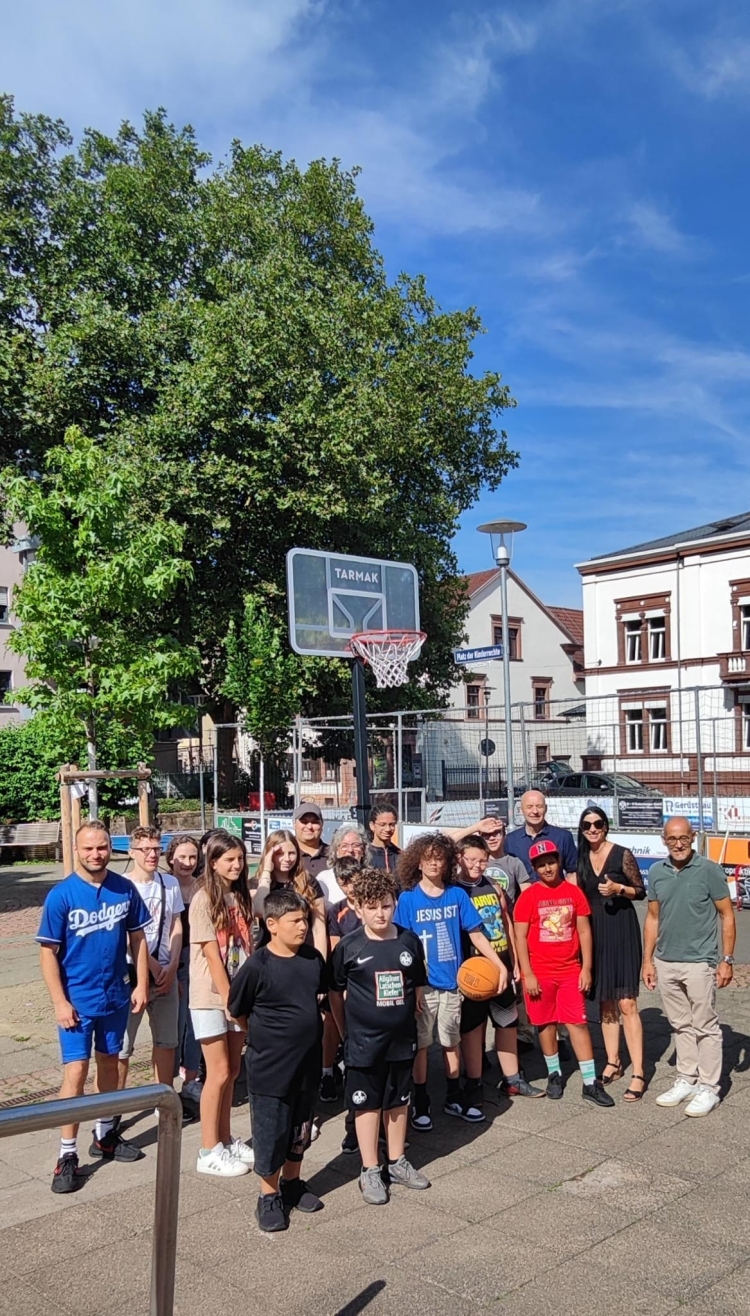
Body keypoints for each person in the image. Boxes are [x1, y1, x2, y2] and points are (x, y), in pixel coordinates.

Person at [36, 820, 150, 1193]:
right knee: (76, 1073)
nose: (96, 854)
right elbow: (48, 953)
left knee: (111, 1063)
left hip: (115, 996)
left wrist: (141, 983)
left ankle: (105, 1135)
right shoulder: (62, 896)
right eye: (88, 848)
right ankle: (66, 1153)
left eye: (101, 847)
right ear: (77, 850)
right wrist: (59, 1001)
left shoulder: (124, 889)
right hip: (77, 1001)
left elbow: (138, 939)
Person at [228, 888, 327, 1232]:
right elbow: (237, 1010)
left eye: (305, 920)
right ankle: (268, 1195)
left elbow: (322, 1001)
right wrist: (262, 1035)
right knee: (272, 1132)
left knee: (300, 1130)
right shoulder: (258, 966)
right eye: (295, 921)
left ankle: (292, 1183)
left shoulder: (313, 960)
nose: (303, 927)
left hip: (308, 1065)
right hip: (271, 1068)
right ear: (272, 924)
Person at [395, 832, 509, 1129]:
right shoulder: (407, 900)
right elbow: (402, 946)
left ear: (447, 863)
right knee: (421, 1045)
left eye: (439, 858)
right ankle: (421, 1101)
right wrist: (413, 984)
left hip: (451, 983)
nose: (433, 863)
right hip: (422, 986)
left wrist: (498, 965)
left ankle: (454, 1095)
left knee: (450, 1042)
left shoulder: (456, 895)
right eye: (428, 858)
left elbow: (475, 932)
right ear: (417, 863)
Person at [330, 867, 431, 1204]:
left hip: (401, 1040)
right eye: (372, 907)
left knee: (399, 1102)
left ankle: (397, 1161)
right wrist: (346, 1032)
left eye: (386, 906)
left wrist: (415, 1003)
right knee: (368, 1104)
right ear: (358, 907)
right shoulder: (349, 946)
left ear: (395, 903)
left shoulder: (408, 940)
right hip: (363, 1044)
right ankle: (370, 1168)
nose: (380, 913)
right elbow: (334, 993)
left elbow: (416, 980)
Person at [643, 817, 736, 1118]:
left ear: (693, 837)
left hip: (700, 962)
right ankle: (687, 1079)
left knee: (706, 1026)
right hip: (666, 961)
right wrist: (648, 960)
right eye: (672, 839)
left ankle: (709, 1087)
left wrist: (726, 960)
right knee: (680, 1024)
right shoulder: (657, 872)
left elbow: (727, 915)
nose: (679, 844)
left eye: (684, 838)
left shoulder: (709, 871)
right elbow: (653, 918)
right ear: (663, 840)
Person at [513, 840, 614, 1108]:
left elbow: (583, 931)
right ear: (534, 868)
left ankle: (590, 1082)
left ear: (559, 862)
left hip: (570, 970)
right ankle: (554, 1073)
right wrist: (528, 974)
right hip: (539, 972)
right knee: (545, 1024)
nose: (547, 868)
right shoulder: (529, 896)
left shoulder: (573, 893)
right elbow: (520, 937)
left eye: (551, 862)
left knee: (577, 1023)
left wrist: (587, 968)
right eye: (541, 864)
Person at [455, 836, 544, 1103]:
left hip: (503, 964)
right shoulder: (455, 890)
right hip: (476, 968)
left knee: (507, 1022)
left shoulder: (492, 885)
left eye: (483, 860)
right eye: (472, 859)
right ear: (459, 857)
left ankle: (512, 1080)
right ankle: (473, 1081)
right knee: (472, 1026)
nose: (478, 865)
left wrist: (516, 960)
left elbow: (506, 921)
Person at [189, 830, 255, 1176]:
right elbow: (213, 956)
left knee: (232, 1069)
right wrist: (230, 1000)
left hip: (237, 993)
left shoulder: (239, 896)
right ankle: (207, 1148)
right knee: (216, 1072)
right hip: (211, 997)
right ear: (212, 863)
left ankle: (226, 1139)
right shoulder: (203, 900)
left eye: (240, 859)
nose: (237, 865)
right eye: (229, 859)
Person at [576, 807, 647, 1101]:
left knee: (627, 1002)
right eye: (587, 825)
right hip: (594, 933)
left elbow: (641, 891)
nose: (593, 829)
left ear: (606, 826)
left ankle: (639, 1072)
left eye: (598, 824)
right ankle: (613, 1061)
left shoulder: (622, 854)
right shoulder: (580, 860)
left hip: (620, 929)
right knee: (605, 1003)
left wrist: (619, 888)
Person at [117, 826, 184, 1106]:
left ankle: (163, 1099)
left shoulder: (169, 883)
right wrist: (153, 967)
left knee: (166, 1042)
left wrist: (172, 965)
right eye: (145, 849)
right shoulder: (121, 886)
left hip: (166, 973)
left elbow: (177, 924)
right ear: (132, 853)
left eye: (156, 848)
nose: (152, 854)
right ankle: (114, 1106)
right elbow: (127, 937)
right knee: (122, 1048)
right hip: (132, 974)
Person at [165, 834, 202, 1111]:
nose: (187, 863)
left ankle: (191, 1079)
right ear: (171, 858)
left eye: (192, 857)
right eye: (182, 857)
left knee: (196, 1024)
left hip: (198, 959)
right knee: (174, 1026)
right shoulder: (165, 886)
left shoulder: (202, 887)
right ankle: (167, 1088)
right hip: (174, 961)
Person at [254, 830, 327, 958]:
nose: (287, 859)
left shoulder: (308, 882)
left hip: (305, 955)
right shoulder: (259, 884)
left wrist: (321, 962)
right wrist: (266, 870)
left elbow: (319, 929)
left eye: (292, 853)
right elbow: (259, 910)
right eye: (279, 854)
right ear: (269, 854)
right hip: (270, 956)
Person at [505, 790, 578, 884]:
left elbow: (572, 872)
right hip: (524, 897)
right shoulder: (510, 840)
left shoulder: (563, 837)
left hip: (555, 896)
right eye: (529, 807)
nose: (535, 811)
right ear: (521, 810)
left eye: (539, 806)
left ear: (546, 809)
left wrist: (573, 896)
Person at [317, 822, 368, 906]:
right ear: (336, 851)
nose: (350, 850)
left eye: (355, 845)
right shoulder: (324, 878)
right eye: (344, 846)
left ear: (363, 850)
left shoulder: (371, 876)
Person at [293, 802, 329, 879]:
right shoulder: (285, 855)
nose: (309, 826)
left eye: (314, 822)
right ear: (294, 824)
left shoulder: (333, 854)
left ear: (322, 824)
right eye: (304, 822)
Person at [368, 804, 401, 870]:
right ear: (372, 825)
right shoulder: (365, 855)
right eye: (382, 825)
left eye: (392, 824)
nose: (388, 829)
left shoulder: (400, 856)